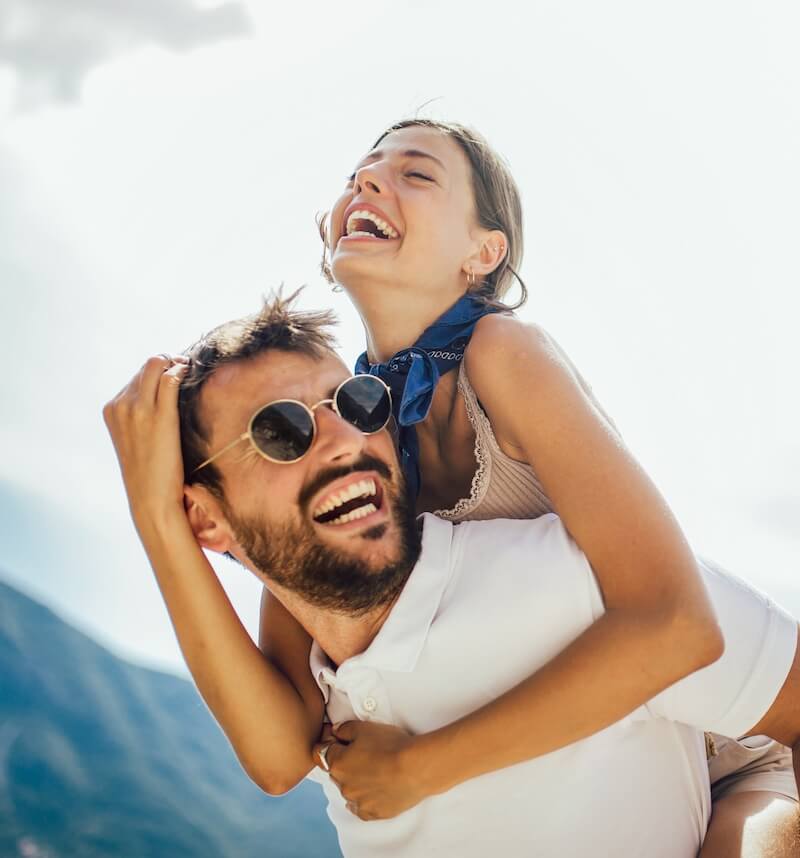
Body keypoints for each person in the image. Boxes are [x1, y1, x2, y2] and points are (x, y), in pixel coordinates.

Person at [262, 119, 799, 854]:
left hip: (725, 745)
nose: (366, 181)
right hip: (589, 774)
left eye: (416, 174)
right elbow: (282, 731)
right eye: (358, 171)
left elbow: (680, 624)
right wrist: (166, 517)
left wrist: (419, 769)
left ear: (484, 254)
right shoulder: (343, 427)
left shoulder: (503, 353)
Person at [103, 296, 800, 857]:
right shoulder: (307, 696)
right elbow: (276, 764)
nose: (346, 437)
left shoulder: (576, 585)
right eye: (280, 431)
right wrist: (159, 522)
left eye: (356, 403)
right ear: (207, 519)